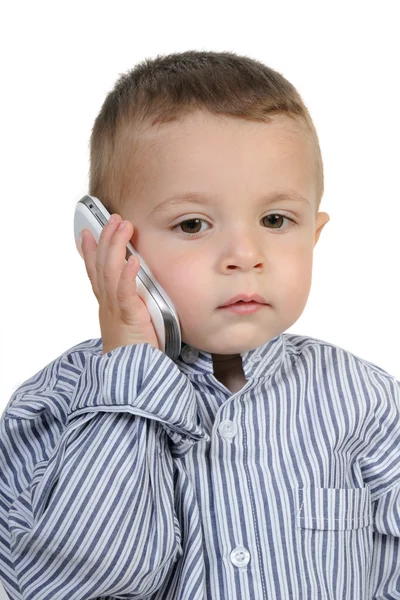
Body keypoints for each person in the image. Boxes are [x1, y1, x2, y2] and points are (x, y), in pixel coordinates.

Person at [0, 50, 399, 600]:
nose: (245, 254)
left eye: (276, 220)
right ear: (108, 247)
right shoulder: (53, 406)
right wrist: (130, 368)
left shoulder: (370, 401)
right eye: (193, 223)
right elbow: (74, 581)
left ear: (314, 235)